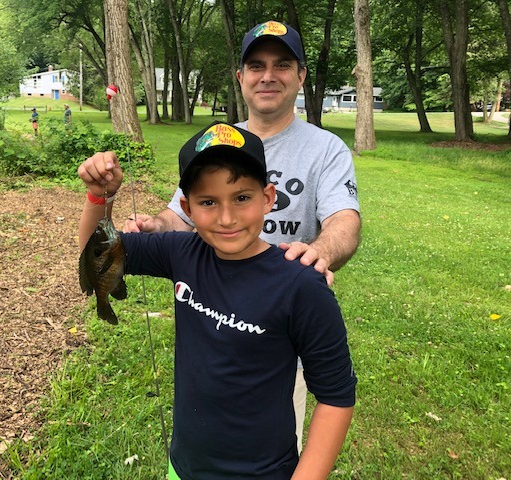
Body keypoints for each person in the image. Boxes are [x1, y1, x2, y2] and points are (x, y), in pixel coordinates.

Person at [81, 20, 361, 452]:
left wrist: (317, 253)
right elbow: (176, 220)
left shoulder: (326, 149)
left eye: (282, 65)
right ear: (241, 76)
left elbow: (344, 220)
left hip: (281, 318)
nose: (268, 76)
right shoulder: (216, 143)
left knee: (272, 429)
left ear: (301, 76)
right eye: (256, 66)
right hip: (213, 314)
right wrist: (151, 225)